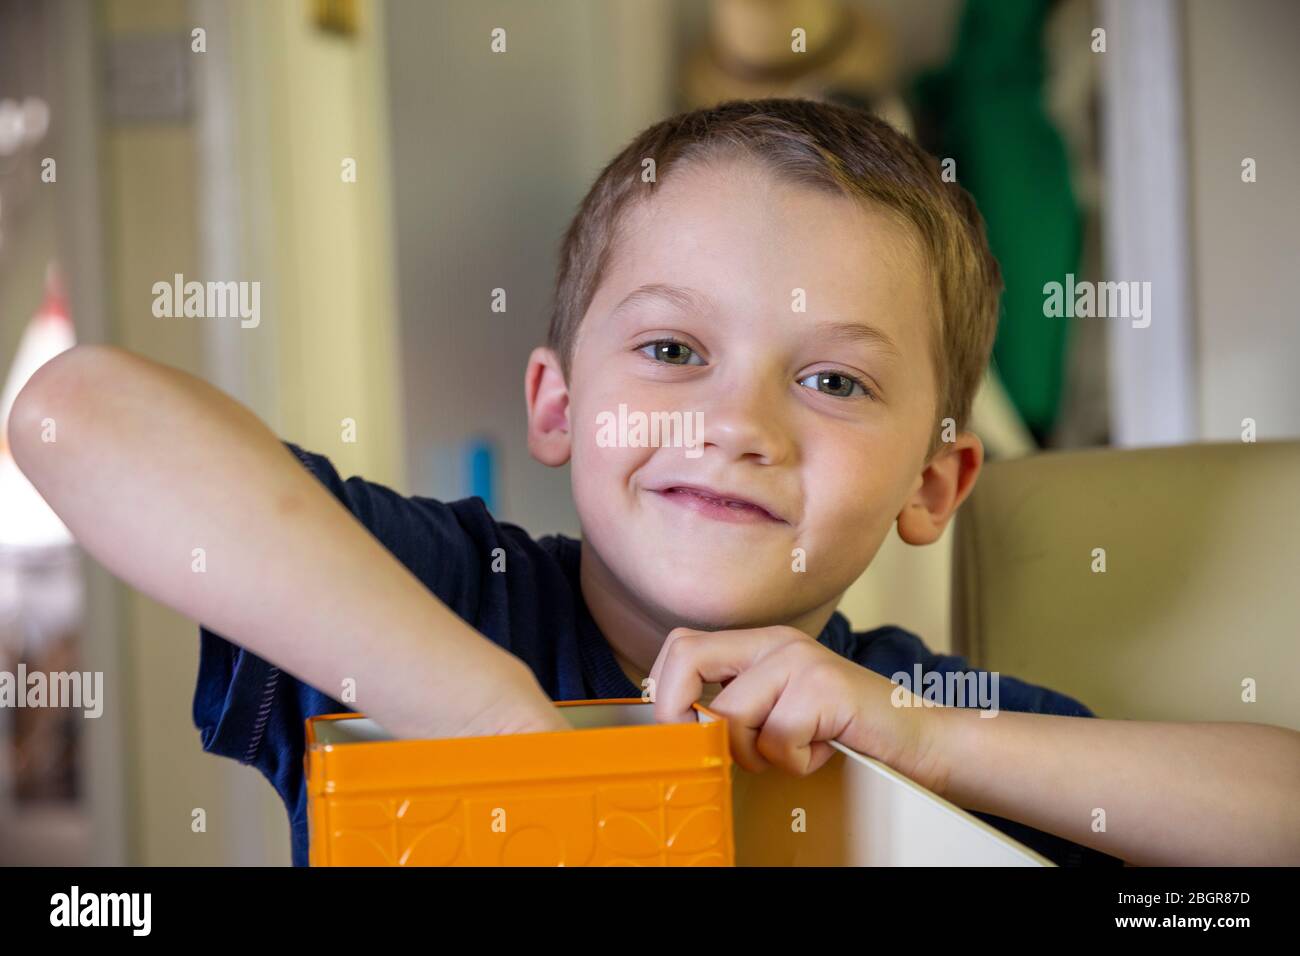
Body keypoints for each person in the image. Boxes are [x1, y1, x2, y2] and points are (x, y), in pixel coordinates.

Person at [10, 99, 1299, 867]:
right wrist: (506, 730)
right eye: (674, 350)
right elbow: (74, 414)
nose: (737, 424)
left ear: (935, 482)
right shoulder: (452, 600)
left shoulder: (906, 709)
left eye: (834, 382)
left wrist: (935, 743)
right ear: (559, 406)